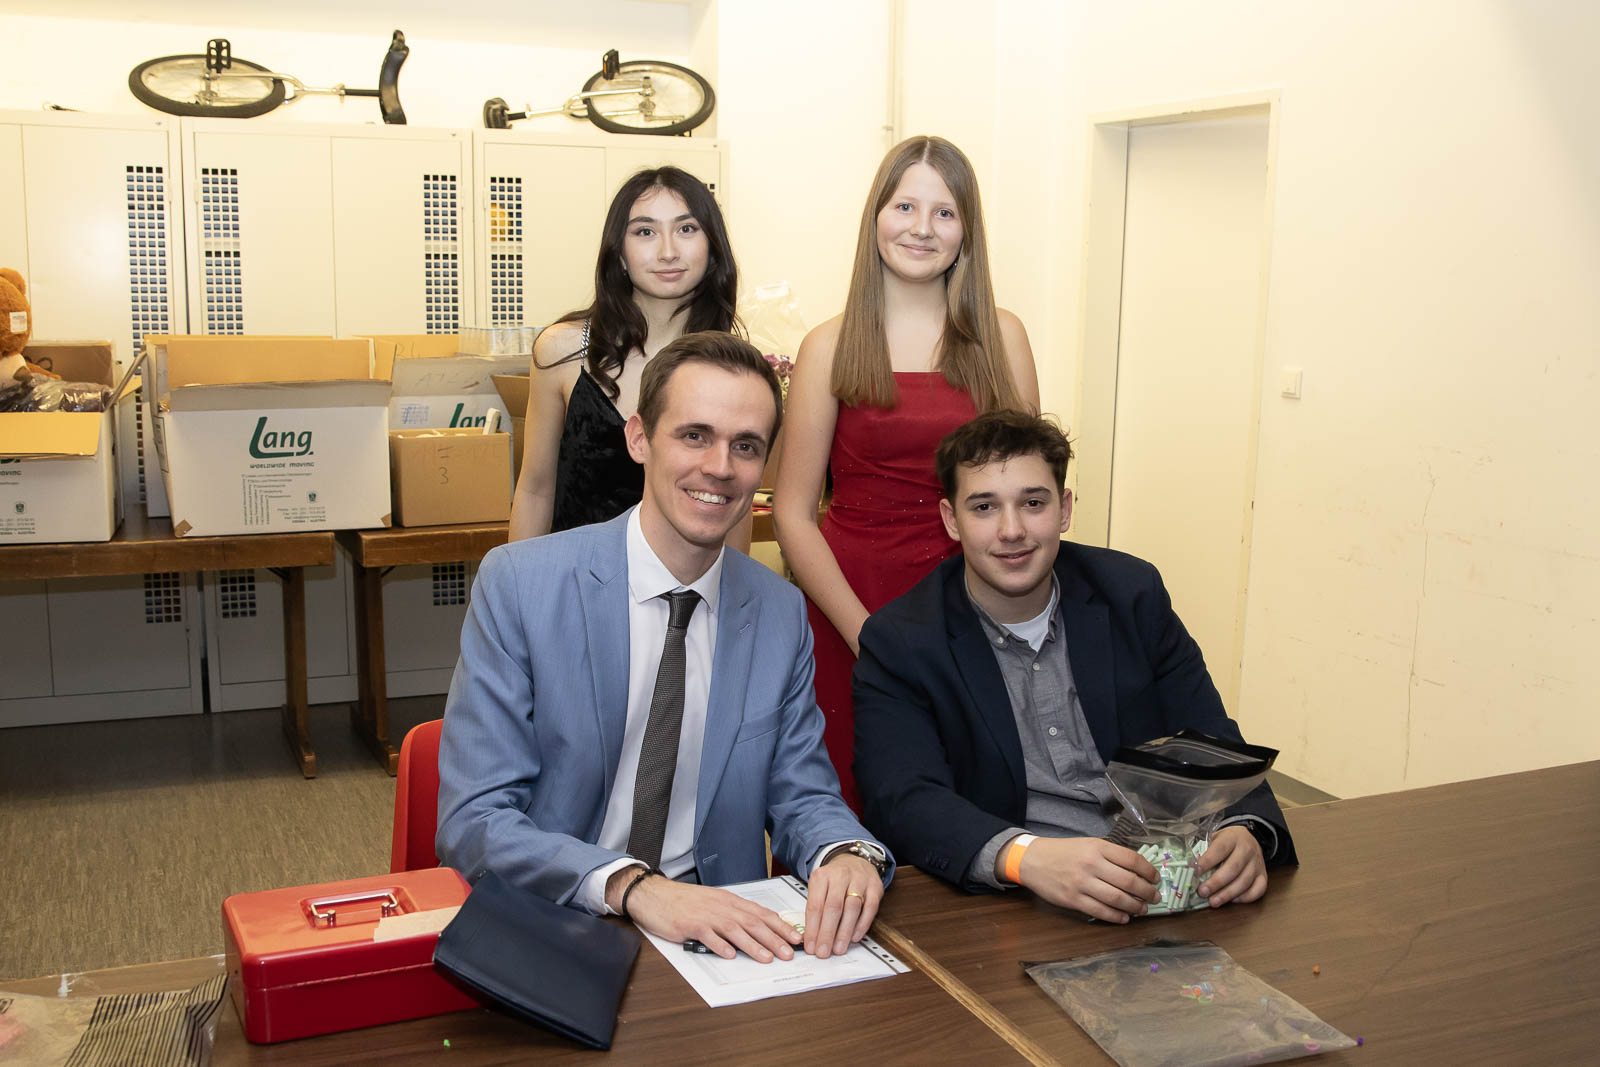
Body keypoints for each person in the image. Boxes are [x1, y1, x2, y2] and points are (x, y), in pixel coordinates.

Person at [438, 331, 893, 962]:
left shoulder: (778, 610)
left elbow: (803, 793)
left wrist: (846, 852)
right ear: (639, 438)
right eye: (694, 435)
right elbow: (476, 819)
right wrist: (633, 887)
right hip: (561, 919)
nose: (720, 467)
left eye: (746, 446)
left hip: (719, 939)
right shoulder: (521, 585)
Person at [852, 410, 1296, 923]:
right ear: (951, 520)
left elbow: (1212, 738)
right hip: (1018, 906)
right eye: (984, 507)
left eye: (1033, 503)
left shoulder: (1132, 594)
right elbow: (904, 798)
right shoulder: (902, 641)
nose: (1012, 530)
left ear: (1064, 509)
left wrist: (1244, 827)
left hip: (1171, 887)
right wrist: (1023, 857)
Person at [774, 135, 1040, 809]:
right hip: (852, 604)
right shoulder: (828, 346)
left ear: (966, 230)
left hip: (974, 602)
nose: (922, 228)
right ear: (876, 217)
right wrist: (867, 634)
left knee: (971, 800)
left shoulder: (1003, 338)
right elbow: (793, 513)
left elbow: (1027, 497)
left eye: (944, 212)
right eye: (904, 206)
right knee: (849, 805)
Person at [509, 165, 750, 548]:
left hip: (684, 580)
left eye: (687, 229)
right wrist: (517, 582)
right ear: (619, 253)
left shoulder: (734, 369)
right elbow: (535, 489)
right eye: (645, 232)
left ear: (712, 249)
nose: (668, 251)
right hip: (575, 577)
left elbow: (735, 504)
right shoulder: (563, 350)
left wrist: (732, 588)